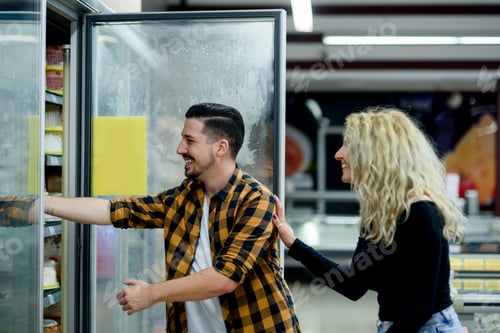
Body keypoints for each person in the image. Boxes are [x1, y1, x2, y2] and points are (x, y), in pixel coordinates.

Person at [45, 103, 301, 333]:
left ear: (221, 147)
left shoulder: (256, 201)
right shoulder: (185, 196)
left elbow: (225, 278)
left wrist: (151, 293)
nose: (180, 149)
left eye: (190, 141)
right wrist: (42, 204)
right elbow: (115, 210)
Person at [272, 106, 467, 333]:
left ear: (375, 153)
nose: (338, 154)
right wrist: (292, 243)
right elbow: (353, 285)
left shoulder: (421, 213)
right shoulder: (379, 214)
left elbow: (419, 310)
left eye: (348, 144)